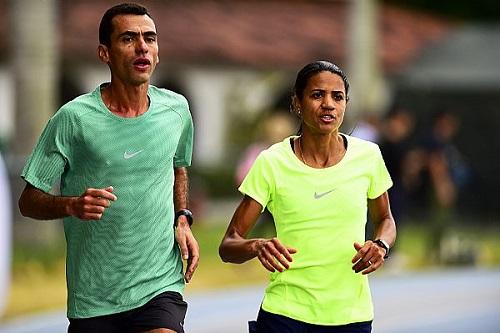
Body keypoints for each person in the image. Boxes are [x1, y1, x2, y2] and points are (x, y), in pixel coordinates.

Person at [18, 3, 198, 333]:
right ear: (105, 53)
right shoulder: (73, 120)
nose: (142, 47)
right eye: (128, 38)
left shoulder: (177, 110)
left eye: (150, 38)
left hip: (159, 284)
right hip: (94, 297)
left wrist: (183, 219)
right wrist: (72, 204)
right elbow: (28, 201)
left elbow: (178, 167)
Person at [219, 60, 396, 333]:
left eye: (337, 97)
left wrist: (381, 245)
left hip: (351, 317)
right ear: (297, 103)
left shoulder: (368, 157)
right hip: (285, 315)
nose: (328, 104)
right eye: (317, 95)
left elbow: (385, 219)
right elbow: (229, 245)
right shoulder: (272, 162)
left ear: (345, 104)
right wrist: (257, 246)